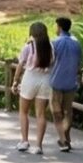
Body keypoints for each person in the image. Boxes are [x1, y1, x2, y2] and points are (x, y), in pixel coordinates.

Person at [14, 21, 54, 153]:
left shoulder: (28, 47)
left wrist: (15, 81)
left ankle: (25, 141)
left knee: (23, 111)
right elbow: (53, 63)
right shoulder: (50, 47)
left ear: (32, 33)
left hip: (30, 78)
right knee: (41, 114)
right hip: (45, 79)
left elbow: (20, 65)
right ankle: (38, 146)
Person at [49, 16, 83, 152]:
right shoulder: (77, 43)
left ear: (60, 27)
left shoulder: (55, 42)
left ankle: (63, 139)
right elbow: (80, 63)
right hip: (71, 82)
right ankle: (67, 138)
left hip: (56, 82)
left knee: (56, 112)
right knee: (68, 111)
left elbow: (50, 61)